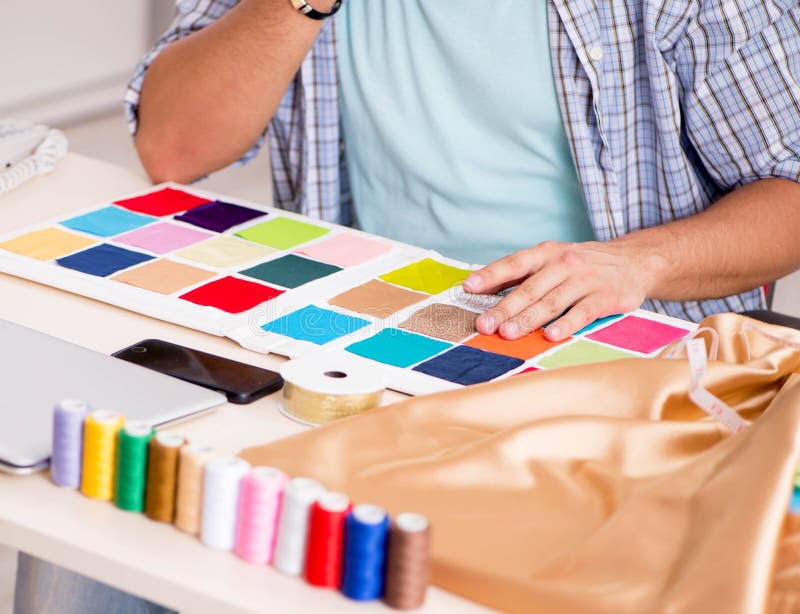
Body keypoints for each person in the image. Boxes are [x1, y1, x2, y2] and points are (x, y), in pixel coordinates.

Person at [15, 0, 800, 611]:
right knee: (104, 509)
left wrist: (638, 261)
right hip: (348, 326)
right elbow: (176, 148)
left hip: (613, 357)